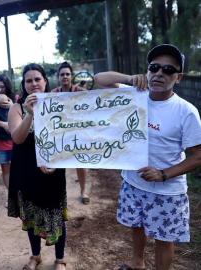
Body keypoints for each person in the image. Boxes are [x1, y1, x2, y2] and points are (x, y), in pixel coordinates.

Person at [94, 44, 201, 270]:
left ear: (178, 77)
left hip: (167, 191)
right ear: (148, 70)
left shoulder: (186, 111)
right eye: (154, 67)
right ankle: (137, 264)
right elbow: (99, 78)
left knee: (164, 239)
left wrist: (163, 174)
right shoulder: (134, 96)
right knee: (137, 226)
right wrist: (129, 79)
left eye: (168, 70)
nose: (160, 73)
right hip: (134, 183)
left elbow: (197, 157)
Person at [8, 63, 67, 270]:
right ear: (23, 85)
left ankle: (60, 259)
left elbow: (68, 139)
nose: (33, 84)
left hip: (53, 170)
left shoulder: (59, 103)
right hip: (27, 170)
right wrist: (29, 114)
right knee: (31, 216)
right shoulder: (16, 108)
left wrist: (53, 162)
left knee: (56, 215)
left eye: (37, 79)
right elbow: (17, 138)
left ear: (45, 81)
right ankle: (35, 256)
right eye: (28, 80)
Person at [52, 61, 90, 204]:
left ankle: (83, 191)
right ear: (58, 77)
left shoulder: (80, 91)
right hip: (60, 135)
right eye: (62, 74)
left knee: (80, 164)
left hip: (78, 134)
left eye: (67, 74)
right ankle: (59, 193)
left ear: (71, 76)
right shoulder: (53, 94)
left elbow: (93, 103)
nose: (65, 76)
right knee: (58, 165)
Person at [0, 74, 14, 201]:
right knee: (6, 170)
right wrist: (3, 124)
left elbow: (22, 115)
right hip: (1, 141)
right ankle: (12, 196)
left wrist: (12, 106)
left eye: (2, 87)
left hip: (16, 140)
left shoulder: (13, 99)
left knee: (18, 168)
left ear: (7, 86)